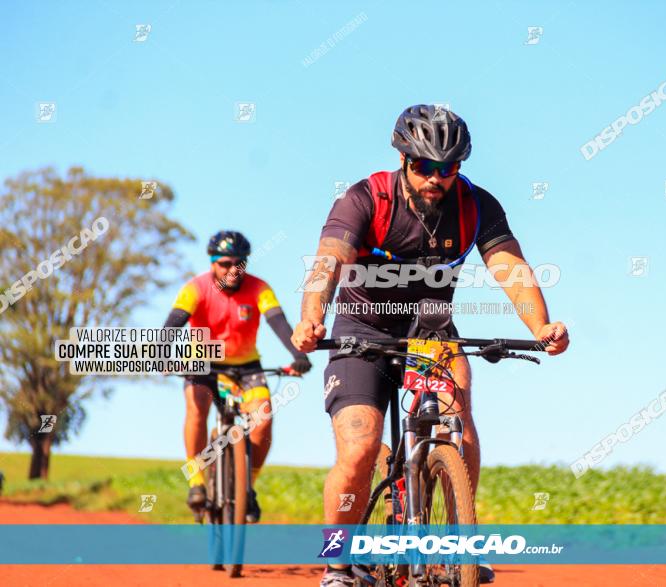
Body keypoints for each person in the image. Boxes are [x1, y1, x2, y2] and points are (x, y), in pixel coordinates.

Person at [292, 105, 570, 586]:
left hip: (431, 331)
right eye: (424, 166)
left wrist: (542, 324)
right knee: (359, 448)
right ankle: (337, 562)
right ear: (403, 160)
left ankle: (462, 538)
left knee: (457, 410)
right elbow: (327, 264)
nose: (435, 178)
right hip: (362, 332)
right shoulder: (365, 198)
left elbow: (511, 268)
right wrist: (311, 318)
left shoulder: (476, 204)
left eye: (447, 168)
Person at [164, 230, 312, 522]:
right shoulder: (195, 288)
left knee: (264, 418)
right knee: (196, 411)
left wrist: (298, 355)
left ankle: (248, 489)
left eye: (240, 263)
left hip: (246, 367)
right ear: (212, 263)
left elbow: (279, 323)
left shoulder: (259, 288)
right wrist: (162, 353)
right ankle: (196, 483)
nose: (233, 270)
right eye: (225, 263)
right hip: (202, 363)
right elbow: (173, 325)